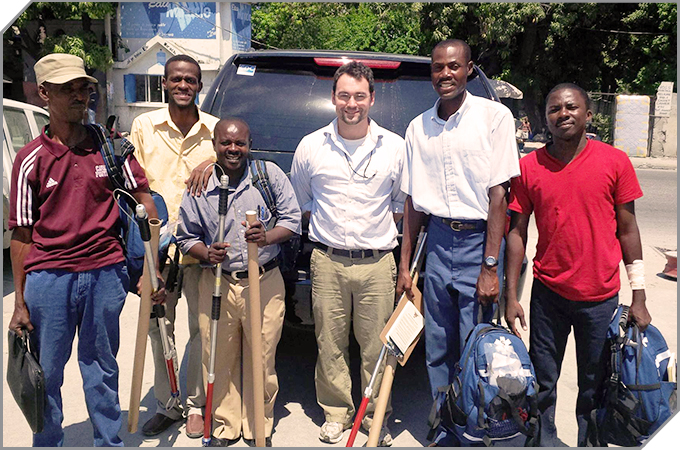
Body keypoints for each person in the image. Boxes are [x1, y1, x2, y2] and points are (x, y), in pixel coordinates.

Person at [7, 53, 161, 447]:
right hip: (49, 280)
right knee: (48, 375)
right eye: (67, 89)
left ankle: (107, 442)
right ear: (44, 94)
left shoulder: (111, 150)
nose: (80, 96)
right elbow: (22, 237)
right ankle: (49, 443)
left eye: (84, 88)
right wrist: (19, 302)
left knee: (101, 370)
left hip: (105, 274)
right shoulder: (29, 161)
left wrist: (151, 268)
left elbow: (146, 203)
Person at [504, 83, 652, 447]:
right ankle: (543, 442)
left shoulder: (614, 162)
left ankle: (590, 444)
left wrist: (639, 295)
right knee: (542, 382)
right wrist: (510, 296)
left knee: (595, 386)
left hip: (600, 298)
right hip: (548, 295)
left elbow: (629, 230)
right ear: (546, 120)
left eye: (571, 107)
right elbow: (516, 232)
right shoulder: (528, 167)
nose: (563, 114)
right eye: (554, 109)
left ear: (587, 114)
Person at [396, 39, 520, 446]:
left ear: (468, 69)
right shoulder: (418, 127)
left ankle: (476, 427)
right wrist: (404, 265)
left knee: (475, 344)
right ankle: (442, 422)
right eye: (437, 67)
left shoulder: (494, 117)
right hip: (437, 240)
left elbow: (499, 195)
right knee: (437, 343)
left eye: (453, 66)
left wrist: (489, 266)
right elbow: (413, 201)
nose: (444, 74)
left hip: (479, 243)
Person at [290, 61, 406, 446]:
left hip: (378, 263)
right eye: (344, 95)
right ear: (333, 98)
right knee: (330, 343)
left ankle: (376, 416)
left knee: (378, 346)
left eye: (359, 95)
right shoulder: (311, 146)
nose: (351, 103)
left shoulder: (395, 147)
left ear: (372, 99)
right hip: (326, 260)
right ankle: (337, 414)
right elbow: (301, 203)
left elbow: (399, 205)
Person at [176, 118, 301, 446]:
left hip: (264, 280)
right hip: (217, 281)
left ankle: (258, 425)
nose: (233, 149)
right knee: (218, 355)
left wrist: (266, 236)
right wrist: (205, 252)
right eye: (226, 143)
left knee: (261, 357)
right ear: (215, 144)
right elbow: (184, 235)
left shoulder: (267, 176)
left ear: (249, 144)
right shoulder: (200, 185)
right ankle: (225, 426)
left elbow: (292, 220)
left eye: (240, 143)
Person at [128, 54, 219, 438]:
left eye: (191, 80)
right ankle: (169, 404)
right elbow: (132, 181)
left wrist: (213, 160)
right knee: (158, 328)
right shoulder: (144, 126)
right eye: (176, 79)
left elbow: (236, 158)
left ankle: (197, 406)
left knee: (202, 329)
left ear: (200, 86)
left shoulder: (215, 129)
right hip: (156, 249)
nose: (184, 85)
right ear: (164, 83)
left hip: (199, 248)